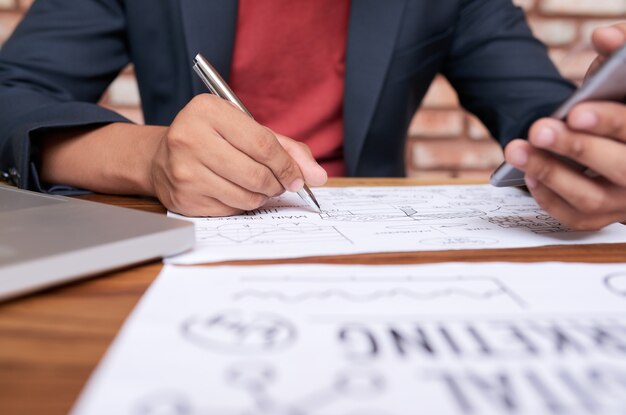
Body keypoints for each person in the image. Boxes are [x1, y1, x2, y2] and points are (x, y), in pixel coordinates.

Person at [0, 0, 624, 231]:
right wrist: (147, 157)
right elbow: (11, 93)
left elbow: (541, 114)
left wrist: (592, 134)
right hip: (190, 231)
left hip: (370, 244)